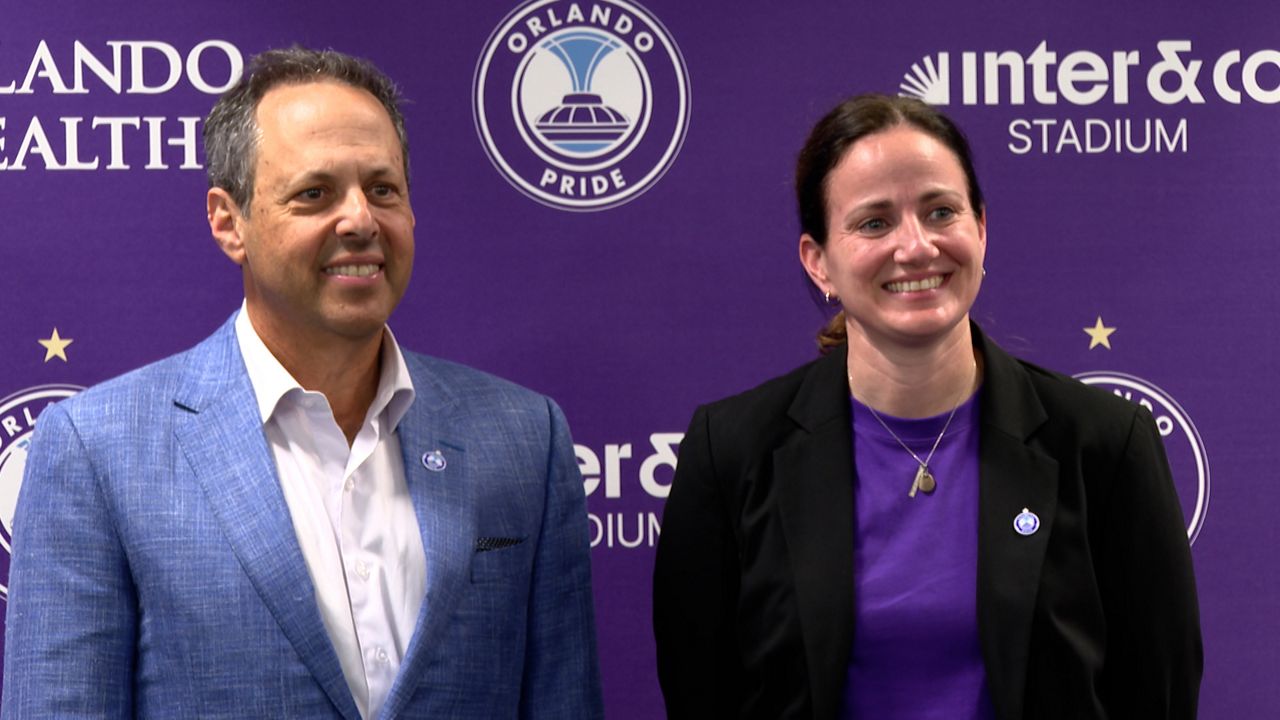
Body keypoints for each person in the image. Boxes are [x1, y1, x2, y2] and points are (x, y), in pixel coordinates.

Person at [2, 47, 602, 719]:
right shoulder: (97, 451)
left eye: (383, 189)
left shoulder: (524, 439)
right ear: (230, 223)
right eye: (314, 194)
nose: (360, 220)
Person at [652, 94, 1201, 720]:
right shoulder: (731, 451)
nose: (915, 247)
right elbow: (701, 696)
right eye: (874, 222)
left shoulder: (1105, 444)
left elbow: (1159, 695)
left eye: (941, 211)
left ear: (982, 229)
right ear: (818, 261)